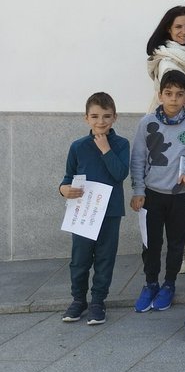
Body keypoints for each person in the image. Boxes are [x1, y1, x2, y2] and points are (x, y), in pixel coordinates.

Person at [130, 69, 185, 314]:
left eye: (179, 94)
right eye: (168, 93)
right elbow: (138, 159)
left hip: (180, 195)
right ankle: (150, 283)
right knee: (151, 242)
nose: (173, 99)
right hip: (152, 193)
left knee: (176, 242)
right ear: (160, 95)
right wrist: (138, 190)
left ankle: (169, 283)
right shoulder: (147, 123)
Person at [59, 91, 130, 325]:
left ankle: (98, 301)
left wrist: (106, 149)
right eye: (95, 116)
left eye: (106, 116)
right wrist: (63, 190)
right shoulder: (78, 146)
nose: (101, 122)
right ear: (86, 118)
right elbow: (67, 178)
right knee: (79, 258)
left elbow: (120, 174)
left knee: (105, 258)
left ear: (115, 118)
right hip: (83, 213)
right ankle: (78, 300)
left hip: (110, 212)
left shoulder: (120, 144)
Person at [145, 6, 185, 104]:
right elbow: (181, 97)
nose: (184, 32)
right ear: (169, 29)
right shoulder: (167, 63)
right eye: (178, 27)